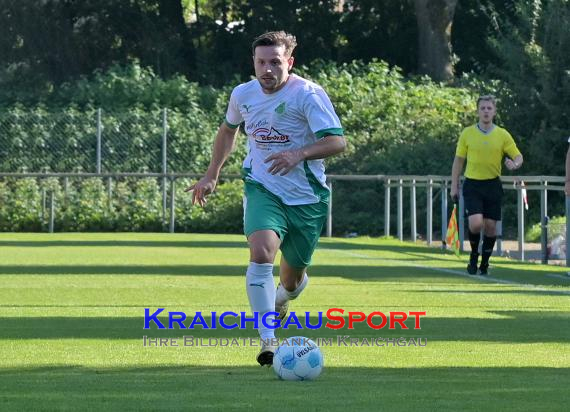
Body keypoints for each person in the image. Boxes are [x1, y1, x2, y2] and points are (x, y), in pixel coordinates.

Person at [185, 31, 346, 366]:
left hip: (307, 199)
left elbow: (336, 142)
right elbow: (228, 130)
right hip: (262, 187)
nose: (267, 69)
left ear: (290, 62)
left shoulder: (309, 94)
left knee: (292, 279)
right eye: (261, 62)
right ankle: (268, 340)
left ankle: (282, 299)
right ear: (253, 62)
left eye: (275, 61)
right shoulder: (243, 94)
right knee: (260, 253)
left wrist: (298, 154)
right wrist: (211, 173)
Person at [450, 95, 523, 275]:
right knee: (475, 224)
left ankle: (485, 262)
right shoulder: (467, 133)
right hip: (472, 184)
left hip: (492, 185)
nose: (486, 111)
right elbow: (458, 161)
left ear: (494, 111)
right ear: (477, 111)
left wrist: (515, 164)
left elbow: (518, 156)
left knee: (491, 227)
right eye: (482, 108)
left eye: (489, 108)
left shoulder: (502, 134)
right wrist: (454, 185)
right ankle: (473, 256)